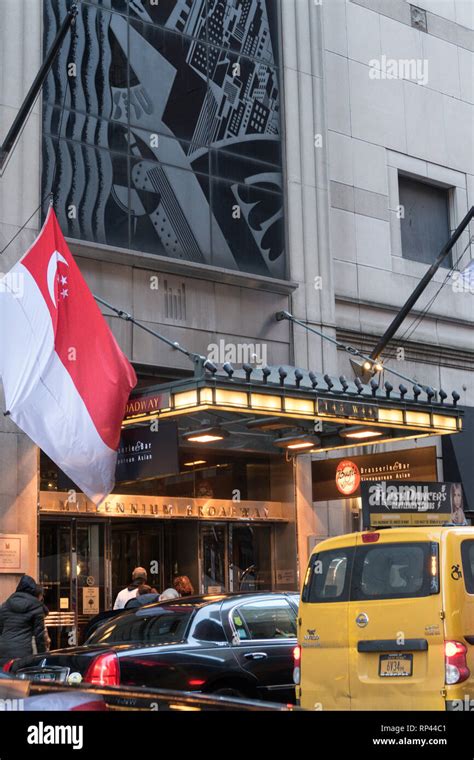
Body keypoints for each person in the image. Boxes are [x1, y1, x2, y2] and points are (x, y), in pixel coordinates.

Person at [0, 575, 47, 666]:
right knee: (21, 679)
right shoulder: (36, 606)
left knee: (4, 678)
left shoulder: (5, 605)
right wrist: (43, 656)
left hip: (3, 652)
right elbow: (39, 636)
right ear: (33, 590)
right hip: (23, 653)